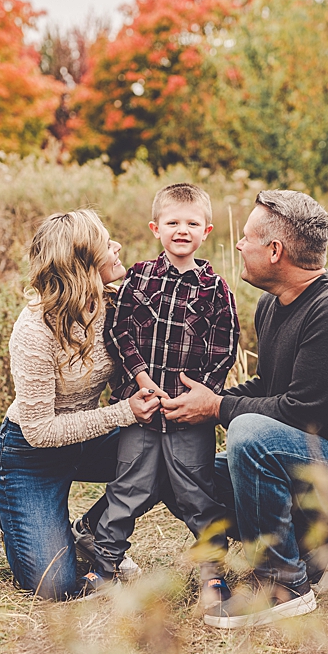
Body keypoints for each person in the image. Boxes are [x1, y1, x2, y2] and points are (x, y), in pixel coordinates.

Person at [159, 189, 328, 627]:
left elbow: (299, 413)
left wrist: (217, 407)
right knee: (177, 467)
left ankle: (284, 585)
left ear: (275, 251)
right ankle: (311, 547)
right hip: (305, 468)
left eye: (248, 237)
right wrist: (196, 400)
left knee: (249, 435)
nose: (239, 244)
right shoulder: (272, 304)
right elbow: (270, 388)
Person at [0, 210, 159, 600]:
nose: (117, 247)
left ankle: (94, 530)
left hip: (89, 439)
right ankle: (1, 498)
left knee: (163, 452)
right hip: (31, 455)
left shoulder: (115, 305)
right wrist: (125, 412)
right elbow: (40, 431)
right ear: (82, 264)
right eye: (106, 244)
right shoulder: (34, 331)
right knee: (54, 586)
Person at [86, 184, 239, 603]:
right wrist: (139, 376)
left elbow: (225, 347)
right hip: (140, 409)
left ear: (206, 231)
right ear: (156, 228)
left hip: (188, 415)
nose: (182, 230)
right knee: (127, 489)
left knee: (197, 494)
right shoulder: (139, 277)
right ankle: (104, 567)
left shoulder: (215, 289)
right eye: (173, 222)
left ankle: (212, 574)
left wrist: (202, 395)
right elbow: (119, 331)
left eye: (192, 223)